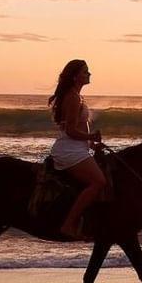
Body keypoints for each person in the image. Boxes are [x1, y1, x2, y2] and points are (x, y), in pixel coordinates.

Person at [47, 58, 106, 239]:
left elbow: (76, 129)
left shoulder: (77, 96)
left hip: (77, 148)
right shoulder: (72, 97)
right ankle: (68, 224)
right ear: (75, 77)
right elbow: (71, 131)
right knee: (99, 182)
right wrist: (90, 137)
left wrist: (91, 143)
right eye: (85, 71)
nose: (89, 74)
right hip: (69, 150)